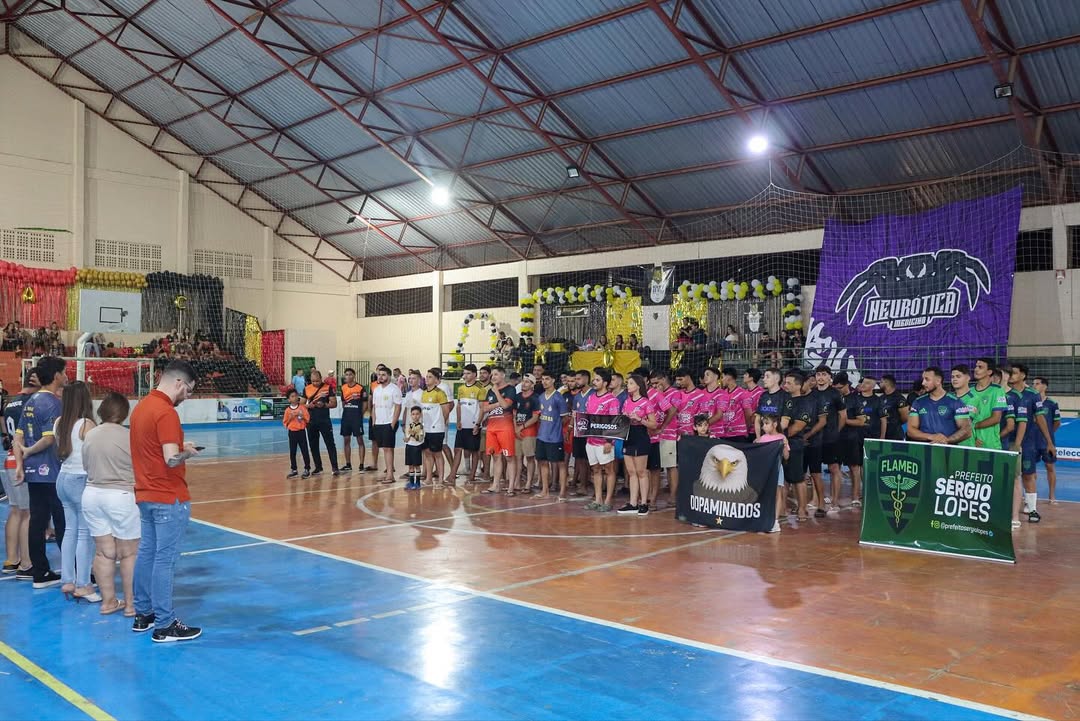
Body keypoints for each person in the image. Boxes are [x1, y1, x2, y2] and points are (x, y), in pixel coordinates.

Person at [129, 359, 202, 642]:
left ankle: (143, 614)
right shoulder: (166, 412)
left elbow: (153, 448)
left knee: (147, 554)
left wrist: (180, 446)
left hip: (145, 493)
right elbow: (171, 459)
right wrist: (187, 453)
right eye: (188, 390)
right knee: (164, 560)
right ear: (178, 383)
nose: (187, 396)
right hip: (168, 496)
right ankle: (165, 623)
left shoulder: (142, 408)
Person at [81, 392, 139, 616]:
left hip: (92, 494)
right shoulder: (129, 436)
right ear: (124, 413)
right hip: (120, 495)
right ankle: (131, 605)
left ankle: (108, 602)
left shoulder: (90, 435)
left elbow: (86, 466)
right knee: (128, 553)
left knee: (103, 552)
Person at [14, 356, 67, 588]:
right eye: (64, 372)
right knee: (63, 522)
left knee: (37, 521)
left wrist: (20, 464)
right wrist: (28, 451)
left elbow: (17, 436)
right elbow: (48, 439)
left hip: (33, 472)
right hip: (52, 472)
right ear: (56, 376)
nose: (66, 376)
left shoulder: (30, 401)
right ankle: (74, 572)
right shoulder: (53, 403)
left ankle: (40, 572)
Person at [55, 381, 98, 602]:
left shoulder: (59, 422)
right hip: (80, 479)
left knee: (70, 530)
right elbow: (94, 455)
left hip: (62, 478)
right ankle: (83, 584)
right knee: (84, 533)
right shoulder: (87, 424)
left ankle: (67, 580)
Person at [2, 369, 38, 578]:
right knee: (27, 512)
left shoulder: (11, 403)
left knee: (15, 511)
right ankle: (26, 563)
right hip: (22, 461)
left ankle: (12, 559)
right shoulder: (30, 403)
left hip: (9, 459)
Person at [1007, 363, 1051, 526]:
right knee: (1009, 476)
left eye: (1014, 373)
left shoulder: (1032, 395)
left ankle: (1032, 509)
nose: (1010, 375)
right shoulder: (1003, 393)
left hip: (1027, 441)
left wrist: (1049, 441)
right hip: (1005, 440)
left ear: (1023, 375)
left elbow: (1040, 418)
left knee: (1028, 474)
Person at [836, 372, 882, 508]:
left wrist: (844, 421)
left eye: (840, 387)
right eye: (836, 387)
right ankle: (834, 497)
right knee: (835, 467)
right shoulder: (834, 397)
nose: (838, 390)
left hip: (853, 437)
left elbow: (861, 421)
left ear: (847, 385)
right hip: (836, 437)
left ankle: (856, 496)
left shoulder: (855, 399)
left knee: (855, 467)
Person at [906, 366, 972, 448]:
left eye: (927, 379)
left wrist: (946, 440)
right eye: (923, 379)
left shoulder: (956, 402)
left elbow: (966, 430)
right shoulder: (918, 402)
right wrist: (931, 437)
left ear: (938, 381)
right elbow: (910, 430)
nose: (923, 383)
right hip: (924, 451)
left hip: (949, 451)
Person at [618, 374, 656, 516]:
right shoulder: (626, 402)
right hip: (628, 435)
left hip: (640, 436)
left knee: (641, 471)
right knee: (631, 472)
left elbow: (653, 424)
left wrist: (640, 419)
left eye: (631, 383)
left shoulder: (646, 402)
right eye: (628, 383)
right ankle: (633, 503)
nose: (628, 386)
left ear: (638, 386)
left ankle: (644, 503)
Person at [584, 368, 620, 512]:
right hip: (590, 440)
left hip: (604, 442)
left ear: (605, 383)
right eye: (594, 379)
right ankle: (598, 499)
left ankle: (608, 500)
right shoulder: (591, 397)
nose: (594, 382)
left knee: (609, 470)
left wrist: (609, 441)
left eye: (597, 380)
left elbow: (615, 422)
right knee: (596, 469)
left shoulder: (612, 400)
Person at [647, 370, 682, 508]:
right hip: (654, 435)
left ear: (663, 379)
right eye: (652, 383)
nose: (654, 385)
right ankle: (651, 495)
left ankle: (673, 496)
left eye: (656, 382)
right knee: (654, 467)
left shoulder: (675, 393)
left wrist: (663, 426)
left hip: (668, 433)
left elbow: (672, 411)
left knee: (670, 465)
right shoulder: (654, 393)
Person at [781, 370, 813, 521]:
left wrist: (780, 436)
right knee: (783, 478)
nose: (785, 385)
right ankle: (782, 509)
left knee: (798, 478)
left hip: (794, 444)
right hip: (781, 443)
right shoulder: (785, 399)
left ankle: (802, 509)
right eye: (785, 382)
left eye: (789, 383)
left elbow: (797, 427)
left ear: (798, 385)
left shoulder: (805, 402)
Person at [481, 366, 518, 495]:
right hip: (492, 427)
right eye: (492, 375)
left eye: (496, 374)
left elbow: (506, 405)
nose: (493, 377)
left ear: (503, 375)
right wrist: (498, 403)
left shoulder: (510, 389)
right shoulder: (489, 391)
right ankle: (495, 485)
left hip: (505, 427)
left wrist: (497, 392)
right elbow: (485, 409)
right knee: (496, 456)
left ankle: (511, 487)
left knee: (509, 457)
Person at [447, 364, 484, 484]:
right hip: (462, 425)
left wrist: (477, 424)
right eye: (464, 373)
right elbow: (459, 405)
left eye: (468, 373)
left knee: (474, 451)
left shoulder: (480, 389)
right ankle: (452, 474)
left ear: (474, 374)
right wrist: (458, 420)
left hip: (473, 426)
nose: (465, 376)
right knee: (457, 449)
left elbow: (482, 408)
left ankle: (472, 475)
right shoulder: (461, 388)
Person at [535, 371, 569, 500]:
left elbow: (565, 418)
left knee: (560, 464)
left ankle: (562, 492)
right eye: (543, 379)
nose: (544, 381)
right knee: (543, 462)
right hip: (542, 436)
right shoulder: (541, 397)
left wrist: (556, 427)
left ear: (553, 380)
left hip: (554, 437)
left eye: (547, 379)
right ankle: (545, 490)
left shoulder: (558, 397)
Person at [756, 414, 789, 533]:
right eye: (763, 424)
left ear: (774, 424)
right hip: (765, 470)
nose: (763, 427)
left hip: (777, 469)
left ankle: (775, 521)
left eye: (766, 424)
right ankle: (764, 518)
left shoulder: (781, 437)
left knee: (777, 493)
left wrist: (784, 445)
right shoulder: (763, 439)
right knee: (765, 493)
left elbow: (786, 456)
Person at [304, 370, 340, 477]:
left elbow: (334, 404)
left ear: (321, 378)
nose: (315, 383)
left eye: (317, 381)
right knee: (313, 445)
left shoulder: (328, 388)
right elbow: (301, 404)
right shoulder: (307, 389)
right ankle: (318, 467)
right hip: (311, 422)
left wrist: (324, 405)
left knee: (330, 444)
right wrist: (308, 406)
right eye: (313, 381)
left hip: (324, 421)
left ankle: (335, 467)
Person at [420, 368, 452, 487]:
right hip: (426, 429)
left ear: (436, 380)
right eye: (426, 377)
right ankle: (428, 478)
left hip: (436, 429)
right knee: (427, 453)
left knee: (437, 454)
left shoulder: (440, 393)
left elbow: (446, 411)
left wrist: (439, 423)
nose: (427, 379)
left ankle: (440, 480)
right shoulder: (424, 393)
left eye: (430, 377)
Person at [370, 367, 402, 485]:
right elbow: (374, 407)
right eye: (379, 374)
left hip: (388, 422)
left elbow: (398, 407)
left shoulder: (394, 389)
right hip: (378, 423)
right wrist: (374, 421)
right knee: (384, 448)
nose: (380, 377)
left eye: (383, 375)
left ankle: (390, 475)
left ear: (388, 376)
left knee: (388, 448)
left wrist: (393, 423)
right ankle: (388, 472)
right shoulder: (376, 390)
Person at [967, 358, 1007, 450]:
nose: (976, 369)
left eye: (980, 367)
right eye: (976, 366)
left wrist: (973, 426)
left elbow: (996, 418)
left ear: (989, 372)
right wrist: (973, 437)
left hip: (990, 444)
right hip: (970, 442)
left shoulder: (997, 390)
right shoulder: (969, 391)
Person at [1032, 376, 1060, 504]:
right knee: (1031, 470)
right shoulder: (1030, 401)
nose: (1034, 386)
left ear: (1044, 386)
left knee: (1050, 467)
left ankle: (1052, 496)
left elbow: (1057, 422)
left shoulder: (1052, 403)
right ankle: (1032, 496)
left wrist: (1048, 434)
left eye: (1037, 384)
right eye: (1033, 384)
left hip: (1047, 443)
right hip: (1032, 442)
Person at [514, 374, 540, 494]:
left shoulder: (535, 398)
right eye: (523, 381)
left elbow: (535, 418)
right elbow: (514, 414)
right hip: (517, 430)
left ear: (532, 385)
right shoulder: (517, 397)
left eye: (527, 382)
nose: (524, 384)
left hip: (529, 431)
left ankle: (529, 482)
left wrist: (521, 427)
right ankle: (517, 482)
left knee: (529, 457)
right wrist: (516, 428)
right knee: (518, 458)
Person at [338, 368, 367, 473]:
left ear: (354, 376)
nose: (348, 376)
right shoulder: (343, 388)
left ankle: (361, 465)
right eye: (346, 374)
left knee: (360, 440)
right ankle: (348, 464)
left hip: (356, 418)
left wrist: (359, 415)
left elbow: (365, 403)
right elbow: (343, 402)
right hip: (346, 418)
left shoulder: (360, 388)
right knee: (346, 440)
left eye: (350, 374)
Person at [283, 390, 311, 479]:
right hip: (292, 433)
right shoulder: (287, 410)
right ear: (289, 399)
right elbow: (285, 423)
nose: (294, 398)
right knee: (293, 451)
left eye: (295, 396)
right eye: (292, 396)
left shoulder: (302, 408)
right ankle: (294, 469)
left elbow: (308, 419)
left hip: (301, 432)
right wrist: (290, 418)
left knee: (304, 450)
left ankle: (307, 468)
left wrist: (302, 416)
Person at [878, 374, 909, 441]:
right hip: (882, 432)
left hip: (895, 434)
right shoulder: (881, 398)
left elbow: (905, 418)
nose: (879, 384)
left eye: (881, 382)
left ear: (886, 383)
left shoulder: (899, 399)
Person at [404, 407, 425, 490]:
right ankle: (411, 482)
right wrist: (406, 439)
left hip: (416, 447)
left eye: (417, 414)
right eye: (413, 414)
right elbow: (407, 437)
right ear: (411, 415)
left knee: (417, 465)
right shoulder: (410, 425)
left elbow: (420, 438)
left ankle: (418, 483)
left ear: (420, 415)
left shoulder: (421, 426)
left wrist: (413, 434)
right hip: (409, 446)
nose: (415, 416)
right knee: (410, 465)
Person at [743, 369, 763, 440]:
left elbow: (758, 413)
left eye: (746, 374)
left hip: (755, 431)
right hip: (744, 429)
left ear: (751, 378)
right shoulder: (744, 392)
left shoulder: (760, 392)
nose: (743, 376)